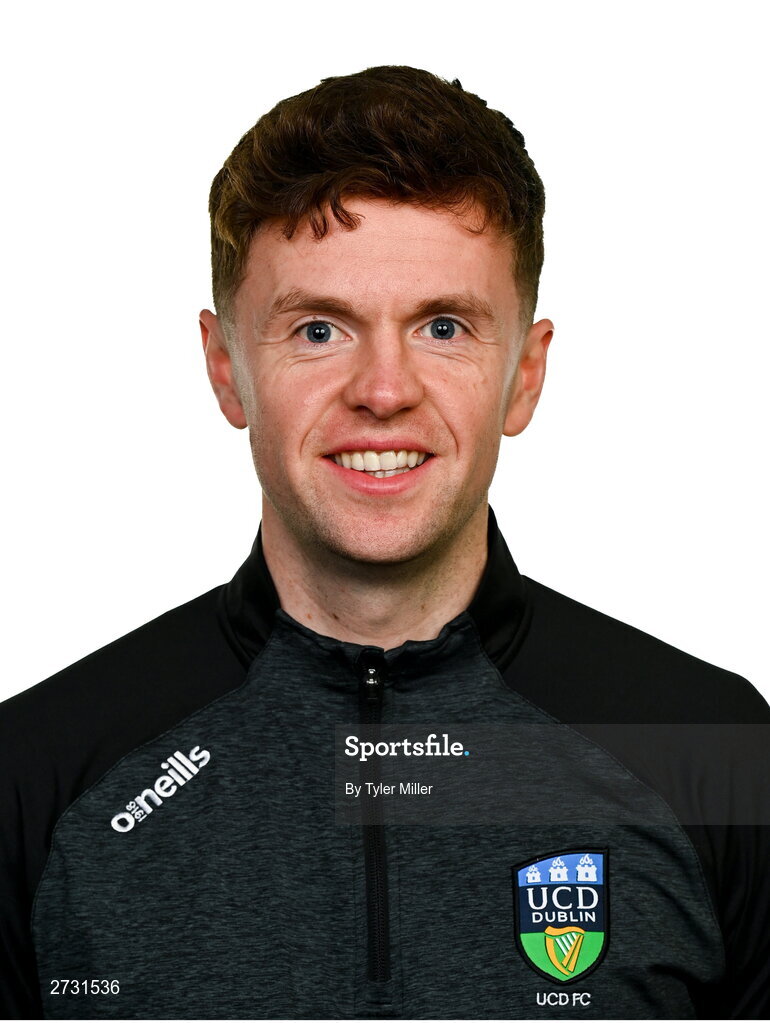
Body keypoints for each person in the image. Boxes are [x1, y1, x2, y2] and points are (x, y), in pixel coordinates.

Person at [1, 65, 767, 1021]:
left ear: (524, 376)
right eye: (319, 328)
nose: (383, 389)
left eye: (444, 326)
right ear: (224, 366)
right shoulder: (38, 769)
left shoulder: (711, 749)